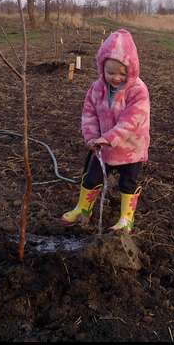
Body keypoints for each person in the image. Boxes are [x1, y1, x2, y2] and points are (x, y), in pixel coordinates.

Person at [61, 28, 150, 233]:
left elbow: (132, 120)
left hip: (130, 149)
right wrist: (92, 137)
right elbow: (89, 113)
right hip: (102, 147)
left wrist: (109, 138)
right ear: (102, 68)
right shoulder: (97, 88)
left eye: (122, 73)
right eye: (110, 72)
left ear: (132, 69)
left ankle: (126, 219)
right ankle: (83, 209)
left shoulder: (138, 91)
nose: (116, 78)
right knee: (91, 177)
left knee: (128, 183)